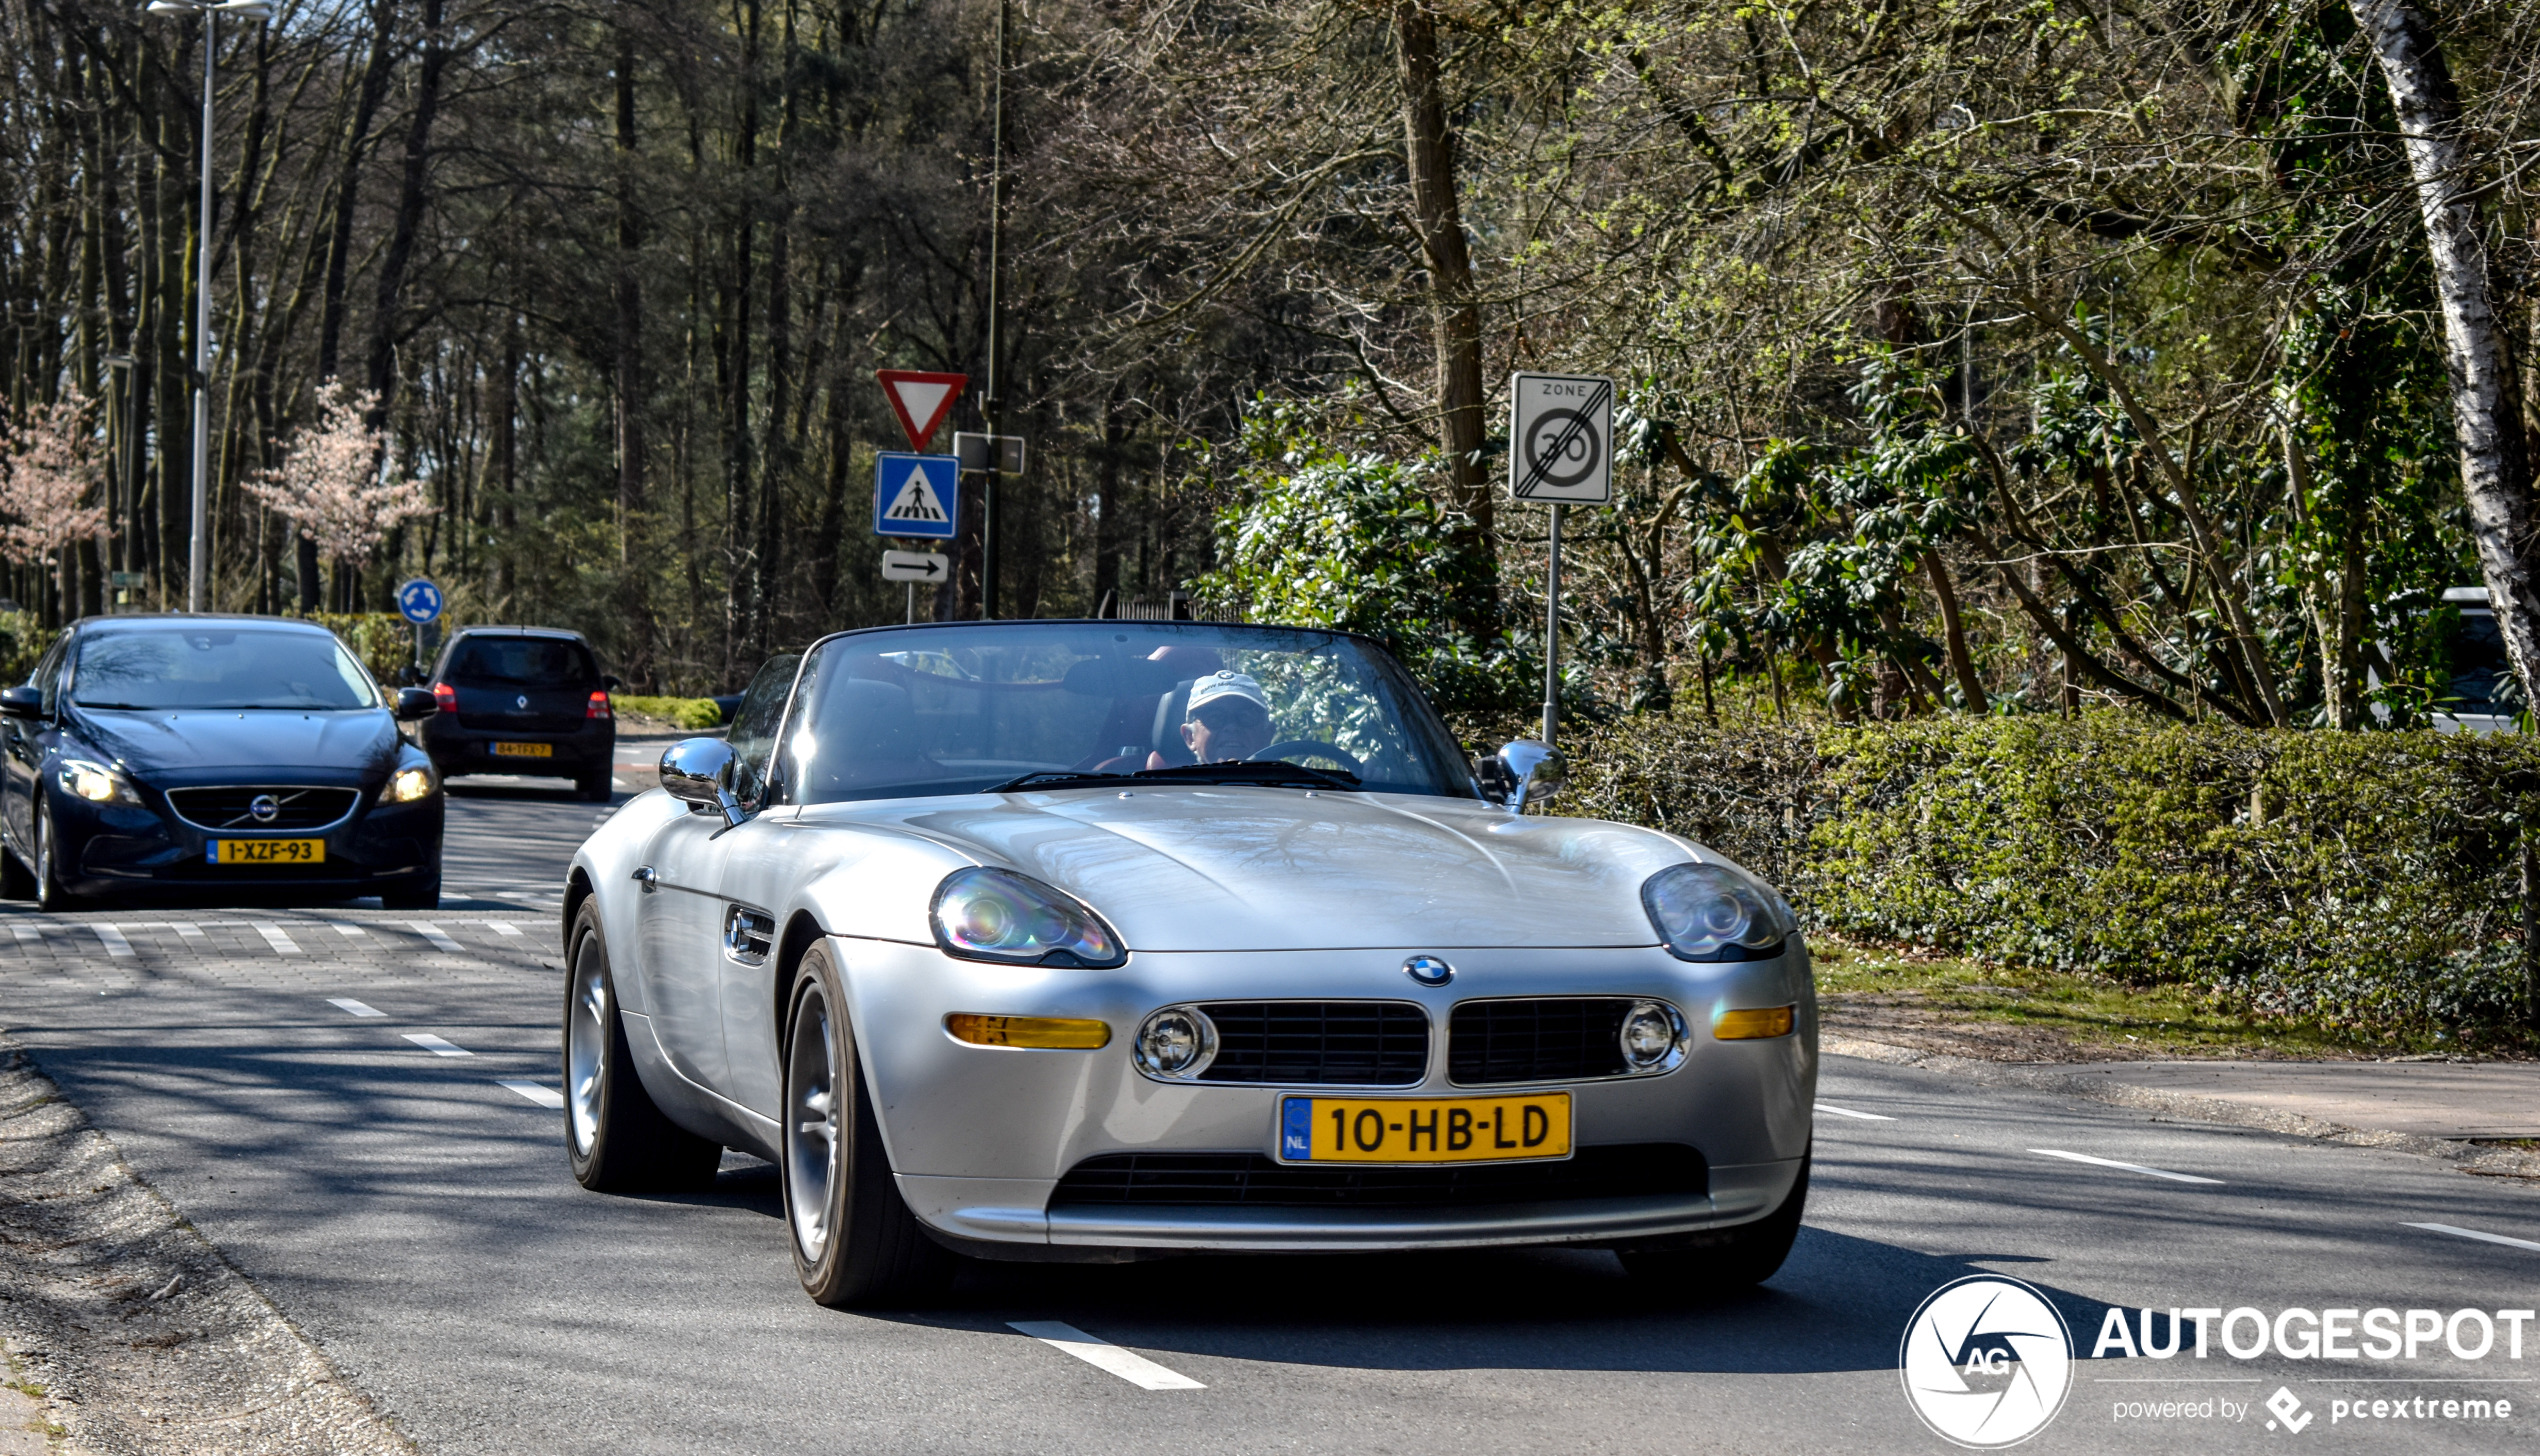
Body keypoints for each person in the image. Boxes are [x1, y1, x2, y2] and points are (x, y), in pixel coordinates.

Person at [1175, 670, 1274, 764]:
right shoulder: (1173, 782)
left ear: (1267, 735)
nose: (1232, 727)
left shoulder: (1287, 779)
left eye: (1245, 717)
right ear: (1190, 736)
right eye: (1214, 718)